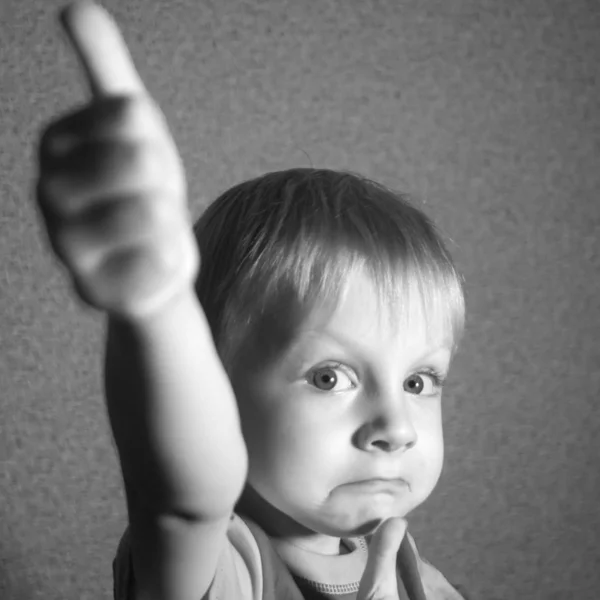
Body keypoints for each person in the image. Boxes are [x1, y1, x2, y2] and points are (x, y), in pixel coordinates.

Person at [36, 2, 471, 598]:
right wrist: (157, 308)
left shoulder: (425, 584)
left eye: (419, 382)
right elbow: (185, 499)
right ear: (215, 384)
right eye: (328, 376)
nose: (395, 429)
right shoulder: (226, 567)